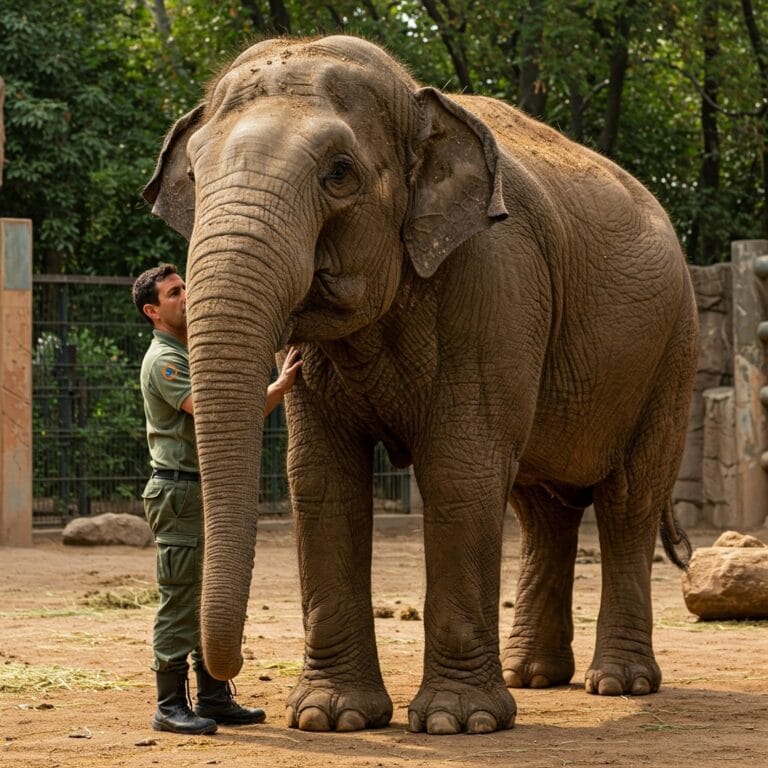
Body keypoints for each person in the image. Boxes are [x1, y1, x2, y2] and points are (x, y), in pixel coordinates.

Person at [132, 263, 302, 735]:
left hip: (204, 489)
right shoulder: (164, 360)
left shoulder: (187, 352)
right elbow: (211, 411)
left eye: (184, 286)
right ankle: (170, 704)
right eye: (174, 292)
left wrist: (279, 389)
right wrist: (268, 388)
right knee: (181, 599)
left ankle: (212, 697)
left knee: (213, 594)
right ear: (153, 311)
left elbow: (237, 411)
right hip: (180, 490)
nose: (185, 295)